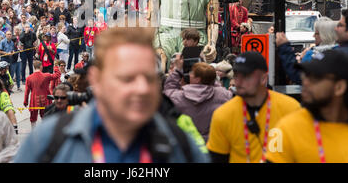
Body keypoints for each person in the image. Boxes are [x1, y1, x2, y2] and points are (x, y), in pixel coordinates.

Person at [14, 27, 210, 163]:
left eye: (149, 78)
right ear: (97, 80)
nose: (142, 89)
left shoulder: (180, 144)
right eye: (127, 78)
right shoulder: (48, 141)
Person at [207, 51, 301, 163]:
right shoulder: (223, 114)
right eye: (236, 75)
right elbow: (217, 158)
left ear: (263, 78)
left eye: (246, 76)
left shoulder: (290, 109)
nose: (239, 81)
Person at [266, 50, 348, 163]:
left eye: (315, 78)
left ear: (339, 87)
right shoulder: (287, 128)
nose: (305, 82)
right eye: (305, 76)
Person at [164, 59, 232, 141]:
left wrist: (178, 71)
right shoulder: (222, 95)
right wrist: (209, 77)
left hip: (189, 143)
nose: (189, 74)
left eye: (192, 73)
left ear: (197, 79)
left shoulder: (179, 97)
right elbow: (219, 87)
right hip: (212, 142)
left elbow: (168, 90)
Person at [24, 60, 61, 128]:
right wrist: (56, 67)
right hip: (45, 99)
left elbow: (27, 91)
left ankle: (34, 132)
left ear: (34, 67)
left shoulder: (29, 78)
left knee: (33, 118)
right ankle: (45, 131)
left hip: (34, 100)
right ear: (41, 66)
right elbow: (57, 75)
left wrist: (25, 102)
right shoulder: (46, 75)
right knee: (45, 117)